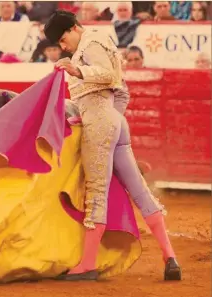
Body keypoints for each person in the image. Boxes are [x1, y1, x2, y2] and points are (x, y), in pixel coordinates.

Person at [44, 10, 181, 281]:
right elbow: (122, 89)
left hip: (101, 125)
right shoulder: (100, 40)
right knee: (139, 191)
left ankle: (87, 264)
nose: (63, 47)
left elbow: (107, 76)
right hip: (111, 122)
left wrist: (78, 71)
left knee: (96, 190)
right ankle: (170, 257)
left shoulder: (89, 44)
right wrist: (110, 118)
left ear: (74, 28)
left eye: (62, 40)